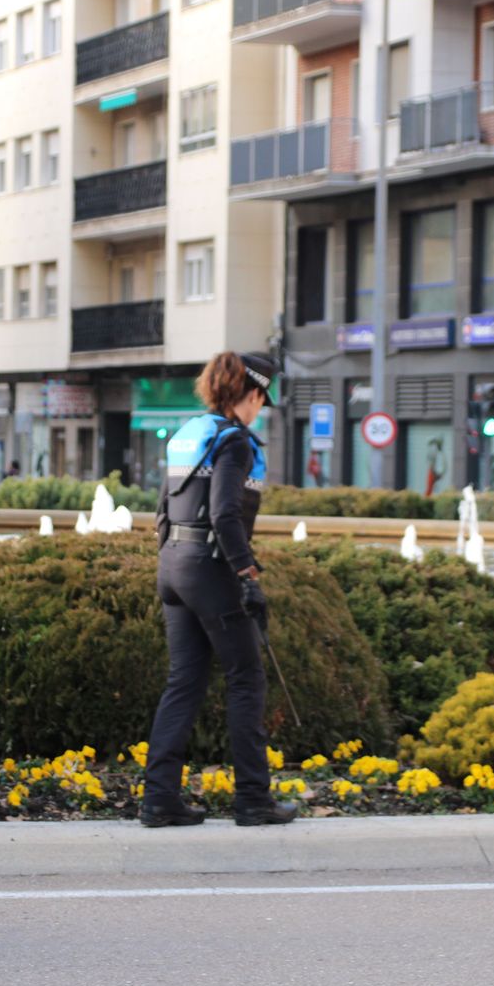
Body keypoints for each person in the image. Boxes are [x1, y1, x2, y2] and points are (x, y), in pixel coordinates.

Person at [141, 352, 294, 828]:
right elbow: (226, 514)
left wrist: (173, 562)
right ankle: (253, 799)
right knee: (246, 678)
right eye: (261, 400)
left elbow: (164, 508)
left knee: (183, 681)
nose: (261, 409)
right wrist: (248, 576)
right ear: (251, 395)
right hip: (210, 569)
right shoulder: (234, 442)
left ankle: (159, 799)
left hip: (174, 567)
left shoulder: (189, 434)